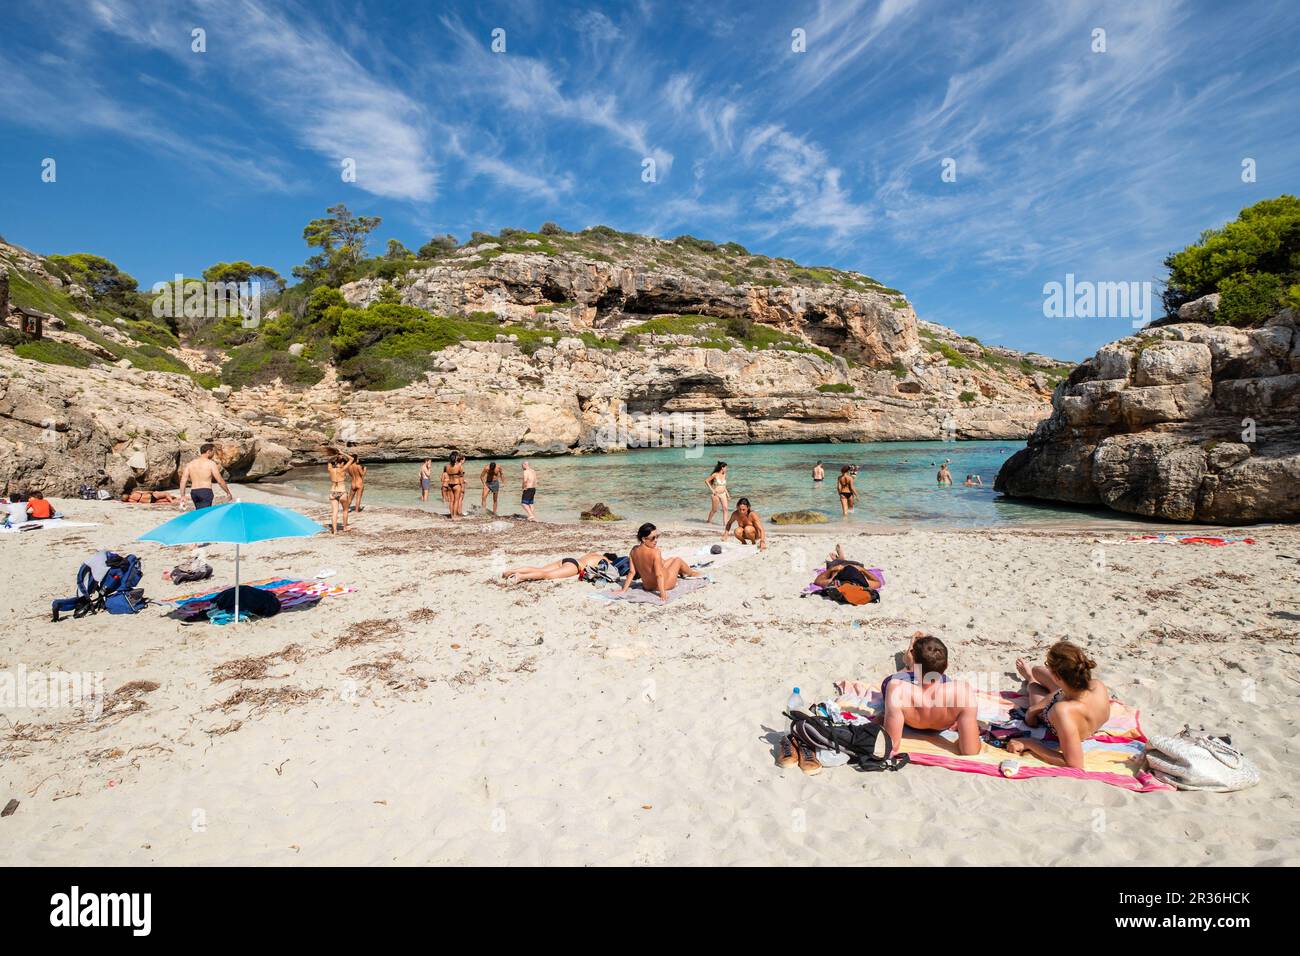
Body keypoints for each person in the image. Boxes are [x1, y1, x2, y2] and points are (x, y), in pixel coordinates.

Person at [1007, 642, 1112, 770]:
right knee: (1037, 670)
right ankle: (1031, 675)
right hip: (1072, 696)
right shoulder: (1097, 685)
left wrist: (1030, 743)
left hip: (1065, 718)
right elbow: (1064, 693)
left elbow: (1075, 764)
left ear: (1057, 676)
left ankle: (1030, 679)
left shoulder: (1062, 711)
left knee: (1034, 686)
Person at [617, 522, 702, 603]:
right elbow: (659, 575)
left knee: (671, 559)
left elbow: (632, 572)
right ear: (643, 539)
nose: (656, 540)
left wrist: (624, 590)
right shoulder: (655, 552)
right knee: (678, 560)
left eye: (657, 536)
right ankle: (692, 573)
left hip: (647, 586)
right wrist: (662, 593)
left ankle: (683, 572)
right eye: (653, 538)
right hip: (666, 584)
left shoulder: (633, 551)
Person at [177, 443, 233, 511]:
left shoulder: (190, 464)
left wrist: (182, 496)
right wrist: (228, 492)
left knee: (199, 513)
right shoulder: (211, 463)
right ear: (208, 452)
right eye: (213, 452)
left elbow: (183, 481)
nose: (214, 454)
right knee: (205, 514)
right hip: (205, 492)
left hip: (194, 492)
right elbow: (220, 480)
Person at [501, 551, 605, 583]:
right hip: (575, 566)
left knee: (540, 569)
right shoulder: (605, 560)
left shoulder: (594, 553)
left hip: (568, 559)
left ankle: (511, 571)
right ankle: (520, 577)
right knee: (547, 575)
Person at [813, 544, 883, 591]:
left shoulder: (835, 583)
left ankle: (839, 559)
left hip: (838, 566)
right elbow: (878, 582)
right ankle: (840, 559)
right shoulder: (862, 584)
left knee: (834, 564)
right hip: (853, 566)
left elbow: (817, 581)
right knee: (857, 564)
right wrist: (863, 570)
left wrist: (832, 570)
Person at [326, 455, 350, 534]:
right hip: (342, 492)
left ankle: (335, 530)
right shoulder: (343, 469)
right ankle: (345, 527)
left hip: (333, 492)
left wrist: (336, 455)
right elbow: (352, 459)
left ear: (335, 462)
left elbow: (329, 460)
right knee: (345, 510)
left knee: (334, 512)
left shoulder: (330, 469)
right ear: (342, 463)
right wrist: (342, 453)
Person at [445, 452, 466, 519]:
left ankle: (451, 515)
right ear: (455, 459)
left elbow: (445, 475)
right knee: (456, 500)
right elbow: (461, 477)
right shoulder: (459, 466)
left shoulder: (446, 466)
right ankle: (455, 515)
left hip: (449, 484)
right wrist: (462, 487)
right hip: (457, 484)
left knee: (451, 501)